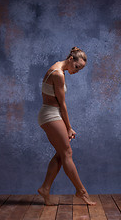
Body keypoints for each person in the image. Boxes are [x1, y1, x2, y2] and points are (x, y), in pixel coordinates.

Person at [37, 47, 96, 206]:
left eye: (80, 70)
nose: (77, 71)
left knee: (62, 154)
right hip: (51, 115)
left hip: (51, 114)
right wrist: (68, 127)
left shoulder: (57, 67)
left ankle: (45, 188)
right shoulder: (58, 74)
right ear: (71, 59)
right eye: (77, 67)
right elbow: (62, 105)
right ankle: (81, 191)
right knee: (67, 152)